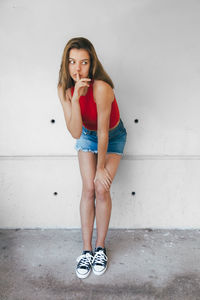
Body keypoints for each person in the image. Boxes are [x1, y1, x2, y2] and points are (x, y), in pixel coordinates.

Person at [57, 37, 127, 279]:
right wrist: (75, 98)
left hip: (112, 135)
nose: (78, 69)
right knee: (87, 189)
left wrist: (101, 169)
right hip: (87, 135)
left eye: (84, 62)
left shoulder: (102, 88)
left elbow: (104, 132)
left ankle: (100, 248)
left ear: (92, 63)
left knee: (101, 188)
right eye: (72, 62)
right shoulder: (64, 90)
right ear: (66, 65)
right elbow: (76, 132)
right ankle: (86, 250)